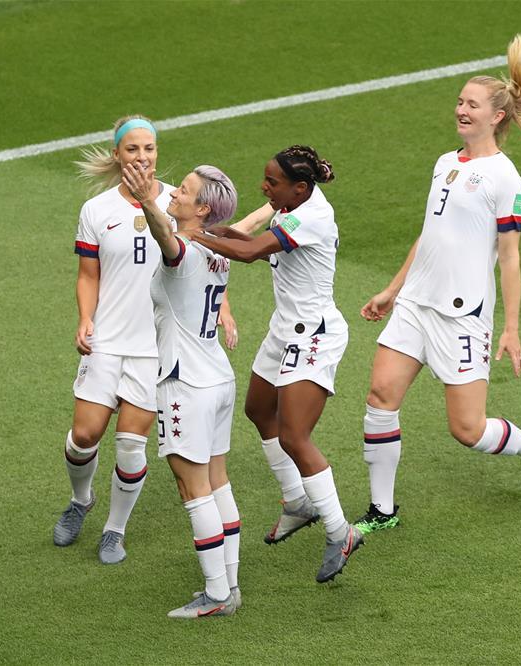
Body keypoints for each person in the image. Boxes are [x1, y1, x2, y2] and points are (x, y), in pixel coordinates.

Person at [353, 35, 521, 536]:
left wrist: (510, 327)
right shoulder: (446, 163)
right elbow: (430, 234)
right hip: (415, 306)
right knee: (380, 396)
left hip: (462, 314)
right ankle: (383, 510)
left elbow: (509, 258)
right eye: (460, 101)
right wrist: (393, 289)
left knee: (467, 430)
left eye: (472, 104)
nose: (461, 109)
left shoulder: (505, 178)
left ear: (497, 116)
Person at [52, 115, 238, 565]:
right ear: (117, 155)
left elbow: (205, 255)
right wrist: (84, 319)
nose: (142, 157)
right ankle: (82, 501)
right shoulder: (97, 211)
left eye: (149, 149)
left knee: (132, 444)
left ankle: (115, 530)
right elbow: (87, 274)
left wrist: (224, 309)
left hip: (155, 349)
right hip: (109, 340)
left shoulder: (179, 202)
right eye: (132, 149)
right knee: (84, 436)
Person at [192, 145, 363, 584]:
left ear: (300, 187)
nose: (263, 187)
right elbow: (248, 242)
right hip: (285, 328)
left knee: (294, 435)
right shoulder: (291, 206)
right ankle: (296, 503)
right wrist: (216, 231)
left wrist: (192, 237)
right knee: (258, 410)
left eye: (271, 182)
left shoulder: (310, 217)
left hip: (314, 336)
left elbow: (249, 254)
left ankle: (340, 530)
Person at [123, 161, 241, 618]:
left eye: (183, 191)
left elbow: (166, 241)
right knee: (217, 482)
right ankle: (229, 584)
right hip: (218, 378)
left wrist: (147, 201)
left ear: (202, 208)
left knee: (193, 489)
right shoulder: (218, 252)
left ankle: (215, 596)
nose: (173, 193)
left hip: (185, 384)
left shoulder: (187, 254)